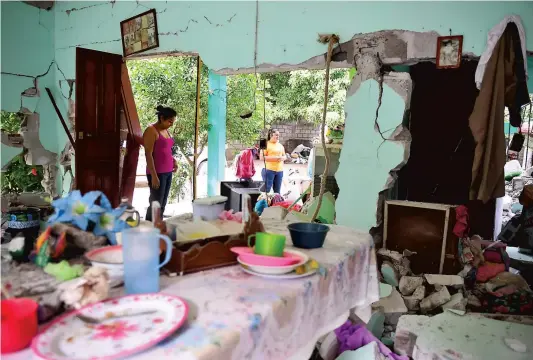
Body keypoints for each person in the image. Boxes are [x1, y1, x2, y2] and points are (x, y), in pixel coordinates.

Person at [143, 105, 178, 221]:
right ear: (162, 118)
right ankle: (149, 228)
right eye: (169, 121)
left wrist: (174, 160)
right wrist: (153, 175)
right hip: (157, 173)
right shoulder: (151, 131)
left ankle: (158, 226)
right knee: (156, 203)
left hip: (168, 172)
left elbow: (167, 149)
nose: (171, 124)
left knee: (162, 203)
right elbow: (148, 154)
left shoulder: (166, 130)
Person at [261, 129, 285, 194]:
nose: (278, 137)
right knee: (266, 191)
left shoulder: (280, 145)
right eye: (276, 135)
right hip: (269, 170)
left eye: (279, 135)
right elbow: (262, 157)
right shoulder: (264, 143)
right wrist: (276, 158)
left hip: (279, 171)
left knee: (277, 192)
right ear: (271, 135)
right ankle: (265, 203)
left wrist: (283, 158)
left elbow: (284, 156)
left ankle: (275, 204)